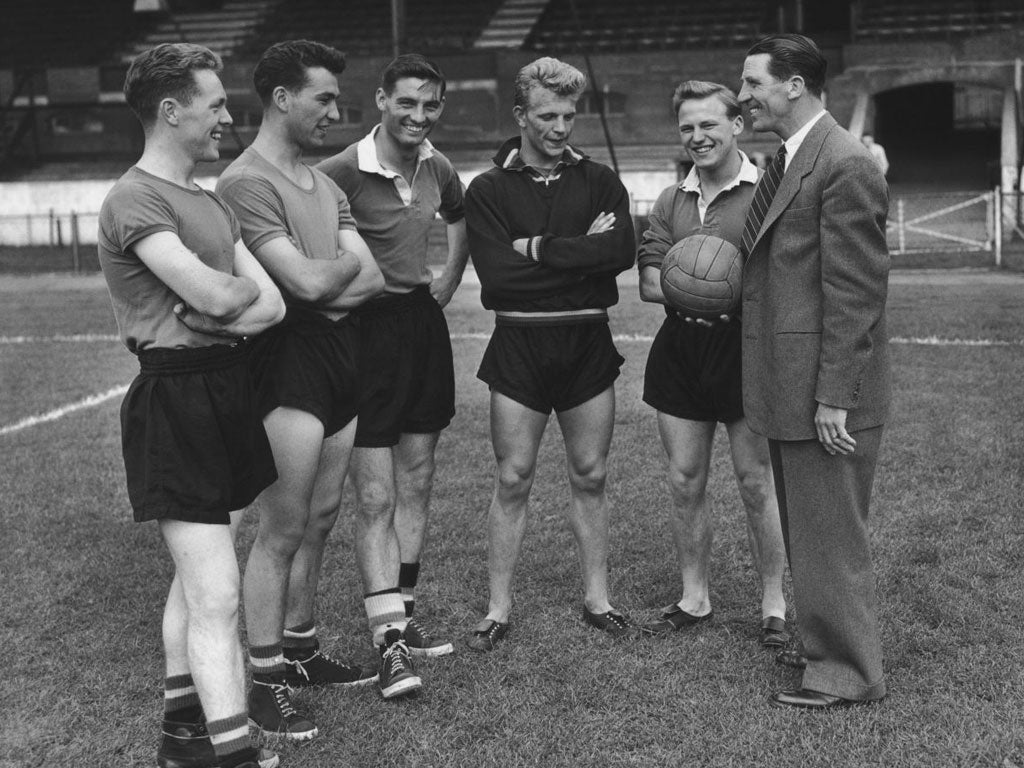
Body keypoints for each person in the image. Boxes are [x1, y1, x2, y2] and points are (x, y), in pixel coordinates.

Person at [97, 43, 285, 768]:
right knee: (217, 594)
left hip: (227, 388)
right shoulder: (133, 198)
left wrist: (226, 301)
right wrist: (227, 297)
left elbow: (268, 307)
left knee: (196, 581)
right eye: (213, 105)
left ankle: (182, 741)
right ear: (170, 111)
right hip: (175, 398)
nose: (225, 117)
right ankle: (231, 754)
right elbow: (224, 294)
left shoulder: (207, 203)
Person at [216, 39, 388, 737]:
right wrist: (332, 268)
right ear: (282, 98)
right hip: (283, 364)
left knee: (320, 518)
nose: (334, 111)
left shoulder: (325, 184)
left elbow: (370, 281)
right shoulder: (245, 183)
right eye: (323, 98)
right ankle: (263, 682)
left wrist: (326, 276)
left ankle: (301, 647)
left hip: (337, 355)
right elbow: (309, 284)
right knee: (282, 528)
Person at [737, 33, 891, 709]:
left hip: (825, 391)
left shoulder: (844, 162)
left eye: (753, 83)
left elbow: (856, 294)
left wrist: (835, 397)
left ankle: (848, 673)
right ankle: (822, 645)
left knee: (830, 534)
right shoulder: (794, 155)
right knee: (810, 529)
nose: (743, 96)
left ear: (794, 83)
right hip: (789, 380)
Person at [462, 56, 637, 651]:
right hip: (519, 344)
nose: (560, 128)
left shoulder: (600, 180)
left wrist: (537, 248)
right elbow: (498, 281)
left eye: (568, 115)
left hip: (588, 343)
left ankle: (598, 599)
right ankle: (498, 608)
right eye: (546, 115)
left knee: (591, 474)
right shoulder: (487, 189)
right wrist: (579, 254)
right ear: (520, 115)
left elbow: (620, 255)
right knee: (513, 477)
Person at [317, 54, 467, 673]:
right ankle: (389, 644)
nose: (419, 116)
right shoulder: (340, 171)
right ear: (381, 101)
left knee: (420, 477)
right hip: (362, 333)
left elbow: (460, 218)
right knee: (374, 495)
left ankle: (403, 610)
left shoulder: (439, 165)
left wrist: (448, 282)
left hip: (420, 327)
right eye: (406, 102)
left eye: (431, 105)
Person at [636, 81, 788, 647]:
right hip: (680, 349)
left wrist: (724, 291)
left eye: (708, 125)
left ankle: (773, 603)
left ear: (736, 126)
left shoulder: (769, 190)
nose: (697, 137)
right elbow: (651, 283)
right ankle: (694, 597)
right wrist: (692, 285)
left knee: (755, 481)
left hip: (746, 349)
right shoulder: (671, 201)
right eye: (686, 128)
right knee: (683, 480)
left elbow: (780, 277)